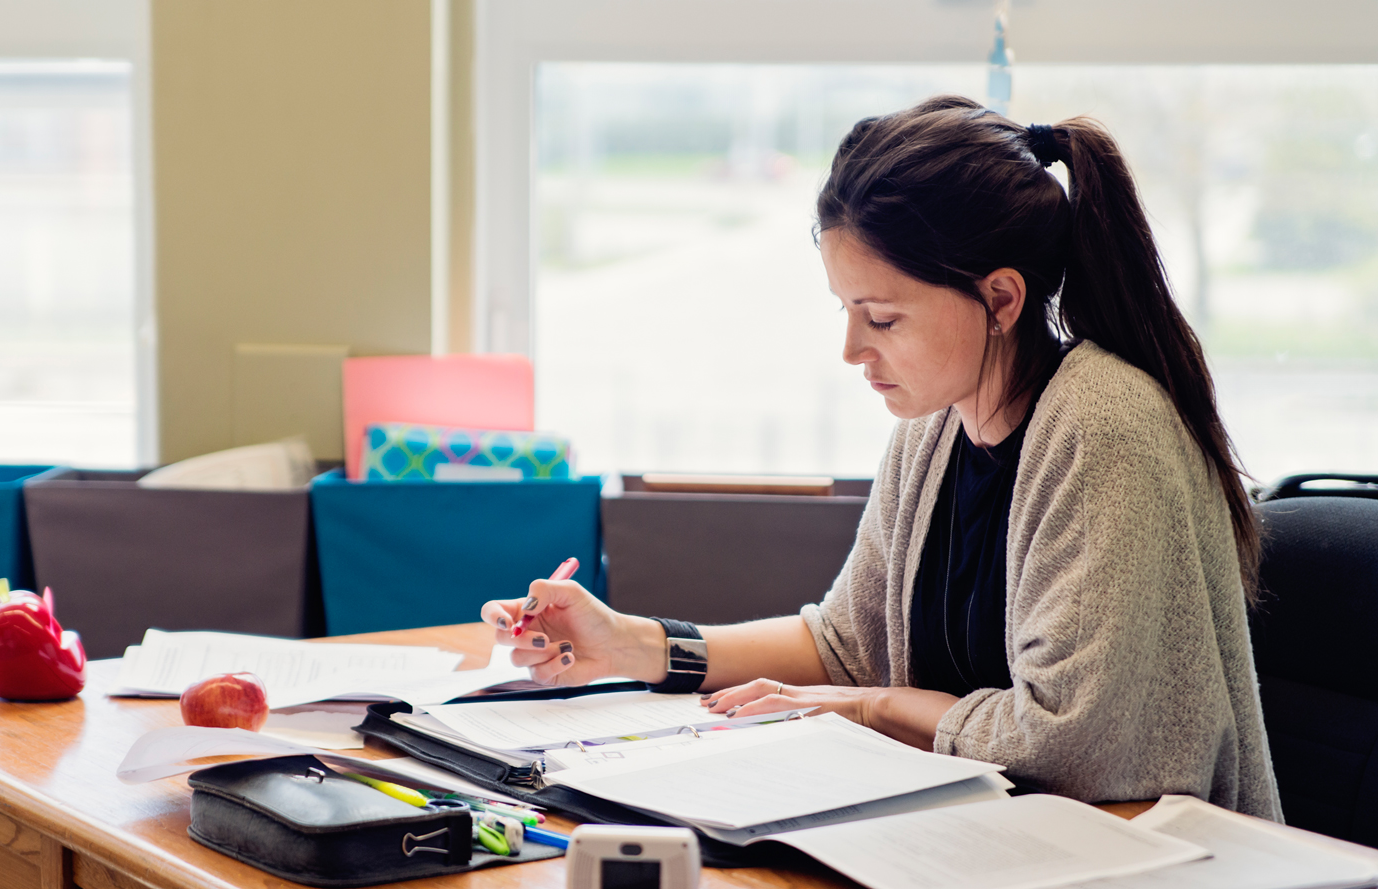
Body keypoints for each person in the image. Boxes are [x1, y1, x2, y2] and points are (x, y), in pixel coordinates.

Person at [480, 96, 1281, 820]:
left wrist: (875, 706)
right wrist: (633, 643)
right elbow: (844, 643)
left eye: (884, 318)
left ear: (1001, 299)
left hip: (1135, 852)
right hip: (987, 837)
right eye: (846, 310)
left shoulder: (1105, 424)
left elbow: (1071, 742)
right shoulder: (936, 422)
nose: (852, 348)